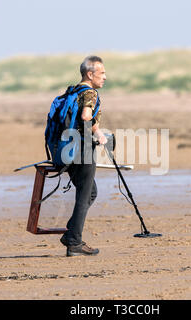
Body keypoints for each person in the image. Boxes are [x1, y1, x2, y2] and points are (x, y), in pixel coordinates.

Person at [60, 55, 107, 256]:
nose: (105, 77)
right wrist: (95, 136)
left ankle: (71, 233)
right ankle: (74, 242)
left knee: (91, 192)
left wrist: (99, 133)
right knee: (85, 195)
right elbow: (86, 116)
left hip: (65, 149)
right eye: (102, 73)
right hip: (82, 149)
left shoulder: (73, 91)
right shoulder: (90, 93)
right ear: (90, 74)